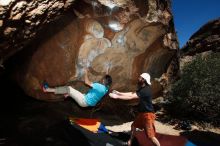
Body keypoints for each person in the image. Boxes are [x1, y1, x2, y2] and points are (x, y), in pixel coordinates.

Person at [109, 73, 160, 146]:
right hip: (142, 114)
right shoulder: (142, 88)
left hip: (148, 115)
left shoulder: (146, 90)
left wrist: (117, 97)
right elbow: (131, 93)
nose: (138, 78)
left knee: (151, 136)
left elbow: (131, 96)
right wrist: (119, 93)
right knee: (133, 126)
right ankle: (130, 142)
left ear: (144, 80)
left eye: (140, 77)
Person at [43, 68, 112, 107]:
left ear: (104, 81)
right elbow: (106, 81)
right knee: (74, 89)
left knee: (69, 88)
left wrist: (86, 72)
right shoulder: (106, 89)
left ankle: (47, 89)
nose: (102, 79)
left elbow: (87, 82)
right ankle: (68, 95)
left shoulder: (99, 86)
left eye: (103, 79)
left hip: (84, 101)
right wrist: (107, 73)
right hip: (87, 102)